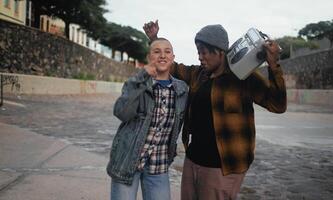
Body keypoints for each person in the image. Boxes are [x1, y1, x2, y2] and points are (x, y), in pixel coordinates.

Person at [143, 21, 287, 200]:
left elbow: (278, 105)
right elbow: (171, 67)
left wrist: (274, 66)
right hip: (193, 160)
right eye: (198, 52)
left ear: (219, 52)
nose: (200, 57)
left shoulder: (242, 77)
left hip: (223, 167)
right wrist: (154, 39)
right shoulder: (199, 75)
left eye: (204, 52)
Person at [106, 37, 189, 200]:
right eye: (156, 52)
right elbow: (121, 112)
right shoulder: (138, 84)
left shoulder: (182, 90)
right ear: (149, 58)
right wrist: (141, 76)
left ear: (173, 58)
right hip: (127, 161)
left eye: (167, 51)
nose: (162, 55)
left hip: (159, 165)